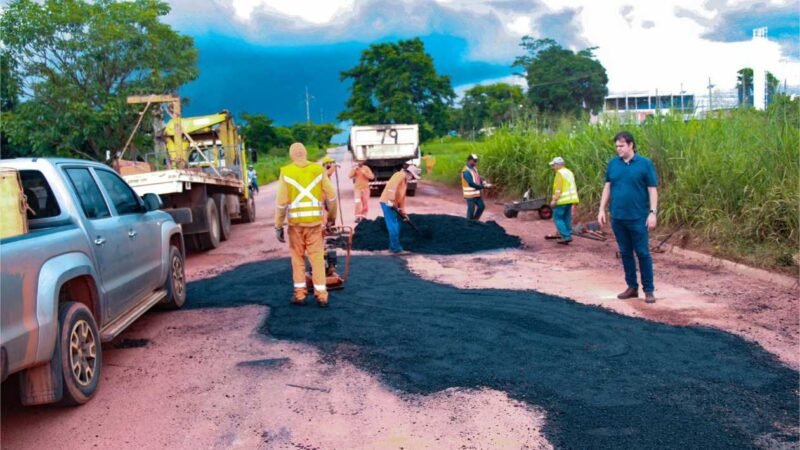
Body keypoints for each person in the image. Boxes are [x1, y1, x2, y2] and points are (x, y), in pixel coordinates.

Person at [598, 131, 659, 304]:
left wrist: (653, 213)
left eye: (622, 146)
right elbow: (607, 187)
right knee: (625, 252)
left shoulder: (645, 164)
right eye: (617, 146)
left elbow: (652, 189)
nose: (619, 149)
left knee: (642, 253)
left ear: (631, 145)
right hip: (618, 217)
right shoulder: (613, 164)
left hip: (639, 217)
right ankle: (632, 287)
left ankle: (648, 290)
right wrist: (602, 209)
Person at [275, 143, 338, 308]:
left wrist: (278, 225)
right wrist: (331, 218)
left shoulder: (286, 172)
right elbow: (331, 196)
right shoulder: (318, 170)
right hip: (315, 224)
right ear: (305, 153)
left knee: (297, 259)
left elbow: (281, 203)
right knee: (317, 259)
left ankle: (300, 295)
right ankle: (322, 296)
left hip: (295, 226)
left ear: (291, 155)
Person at [379, 162, 420, 254]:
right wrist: (390, 199)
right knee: (393, 225)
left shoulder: (404, 181)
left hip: (393, 204)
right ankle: (396, 249)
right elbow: (392, 186)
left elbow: (402, 198)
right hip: (387, 202)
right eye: (413, 176)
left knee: (397, 225)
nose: (412, 178)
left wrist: (403, 212)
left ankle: (392, 247)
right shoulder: (399, 175)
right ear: (409, 173)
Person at [546, 156, 579, 245]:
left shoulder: (560, 173)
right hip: (570, 199)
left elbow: (558, 188)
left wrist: (554, 200)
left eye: (553, 165)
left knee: (558, 218)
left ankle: (566, 236)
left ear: (558, 165)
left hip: (562, 200)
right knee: (566, 218)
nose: (553, 167)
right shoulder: (569, 172)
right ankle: (566, 233)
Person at [461, 154, 490, 221]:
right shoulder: (466, 171)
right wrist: (482, 187)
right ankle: (468, 224)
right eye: (474, 161)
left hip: (477, 194)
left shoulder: (474, 169)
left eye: (476, 161)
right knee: (471, 210)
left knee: (481, 207)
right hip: (470, 195)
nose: (475, 162)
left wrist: (483, 182)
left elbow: (477, 178)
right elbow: (471, 183)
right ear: (470, 160)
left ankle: (474, 221)